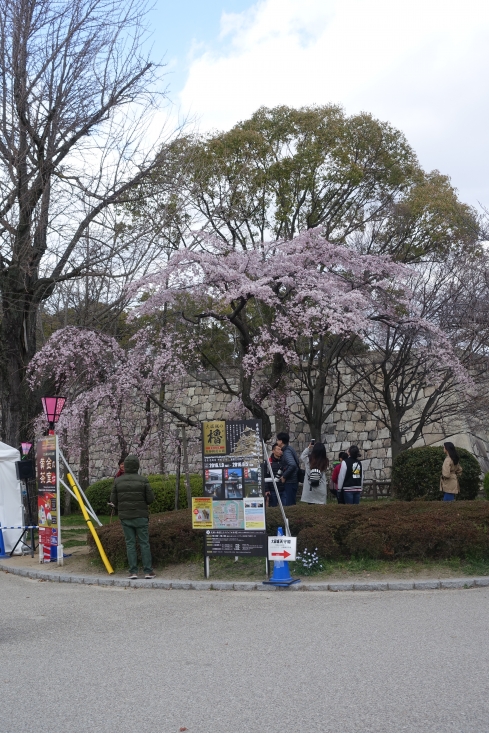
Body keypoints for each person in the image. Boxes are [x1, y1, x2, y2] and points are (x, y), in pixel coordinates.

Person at [110, 454, 156, 579]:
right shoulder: (143, 480)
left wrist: (121, 506)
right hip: (141, 515)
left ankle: (133, 571)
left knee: (130, 543)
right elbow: (150, 499)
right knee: (144, 543)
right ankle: (148, 571)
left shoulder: (117, 481)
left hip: (125, 516)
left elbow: (113, 500)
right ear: (137, 466)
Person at [276, 432, 300, 505]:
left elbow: (292, 465)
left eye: (277, 440)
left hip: (291, 481)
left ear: (281, 441)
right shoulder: (289, 449)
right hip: (293, 480)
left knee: (290, 504)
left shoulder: (286, 452)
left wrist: (284, 476)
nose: (276, 442)